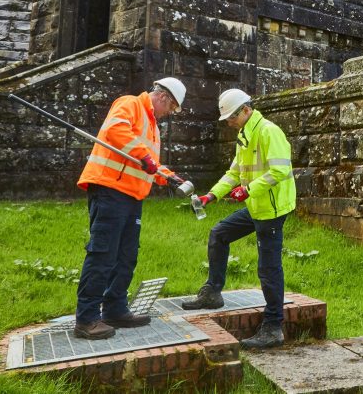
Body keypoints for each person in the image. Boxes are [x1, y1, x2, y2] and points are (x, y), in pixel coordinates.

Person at [73, 77, 187, 340]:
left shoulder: (153, 127)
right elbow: (116, 130)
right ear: (163, 98)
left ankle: (114, 308)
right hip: (110, 189)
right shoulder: (130, 104)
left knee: (126, 255)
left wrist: (169, 177)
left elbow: (151, 164)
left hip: (133, 196)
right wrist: (144, 156)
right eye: (171, 109)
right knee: (102, 254)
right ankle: (87, 318)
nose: (169, 114)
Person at [182, 88, 295, 350]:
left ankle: (273, 326)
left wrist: (248, 189)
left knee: (268, 267)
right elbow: (233, 173)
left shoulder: (269, 131)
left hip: (273, 209)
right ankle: (212, 293)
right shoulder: (244, 135)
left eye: (232, 117)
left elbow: (280, 170)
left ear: (246, 110)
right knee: (219, 233)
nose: (229, 122)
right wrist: (212, 195)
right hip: (256, 206)